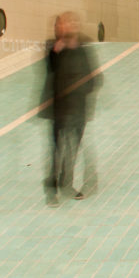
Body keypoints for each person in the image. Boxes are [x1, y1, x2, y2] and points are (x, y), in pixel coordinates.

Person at [42, 12, 100, 206]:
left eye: (76, 21)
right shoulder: (53, 46)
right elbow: (50, 70)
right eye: (69, 22)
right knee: (57, 150)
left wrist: (86, 87)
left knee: (72, 150)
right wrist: (58, 50)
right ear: (61, 26)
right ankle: (51, 189)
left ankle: (67, 184)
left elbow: (93, 76)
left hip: (78, 108)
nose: (74, 24)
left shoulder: (83, 46)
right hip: (59, 108)